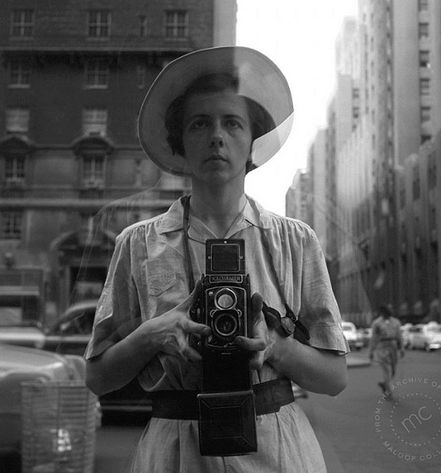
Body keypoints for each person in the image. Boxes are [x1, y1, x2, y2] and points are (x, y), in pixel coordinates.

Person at [85, 46, 349, 472]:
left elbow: (335, 378)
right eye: (199, 123)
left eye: (232, 123)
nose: (216, 136)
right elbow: (97, 376)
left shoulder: (295, 241)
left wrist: (274, 347)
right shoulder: (137, 244)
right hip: (174, 449)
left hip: (277, 448)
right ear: (179, 143)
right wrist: (155, 334)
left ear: (250, 142)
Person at [369, 305, 404, 399]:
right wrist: (371, 351)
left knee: (393, 370)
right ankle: (389, 392)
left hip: (393, 346)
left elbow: (399, 336)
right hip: (382, 346)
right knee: (386, 370)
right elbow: (374, 338)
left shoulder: (396, 322)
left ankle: (385, 383)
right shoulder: (376, 323)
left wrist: (402, 348)